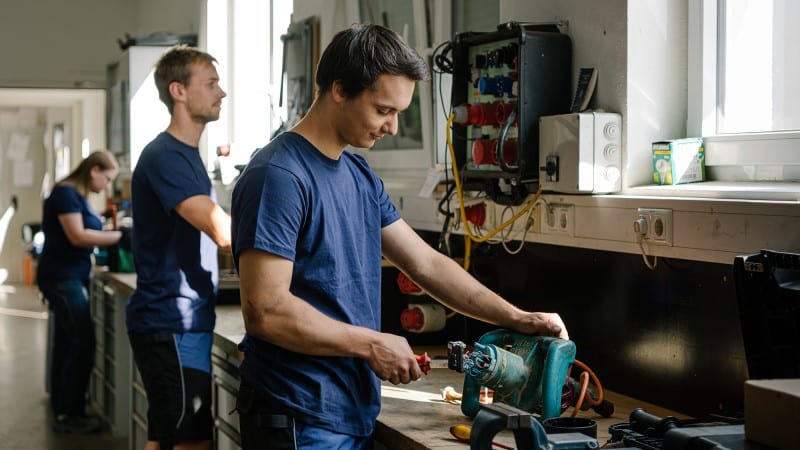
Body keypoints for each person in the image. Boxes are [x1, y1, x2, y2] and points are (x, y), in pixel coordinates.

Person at [230, 24, 569, 449]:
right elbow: (266, 310)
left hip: (348, 412)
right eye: (383, 110)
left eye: (399, 114)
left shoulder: (358, 175)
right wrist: (373, 344)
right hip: (299, 415)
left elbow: (425, 264)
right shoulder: (279, 175)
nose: (392, 127)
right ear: (339, 89)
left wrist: (517, 318)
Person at [127, 44, 231, 450]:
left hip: (181, 318)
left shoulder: (186, 156)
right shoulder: (165, 156)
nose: (221, 93)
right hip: (171, 321)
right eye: (211, 84)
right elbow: (222, 232)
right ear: (179, 91)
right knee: (191, 442)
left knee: (166, 436)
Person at [37, 149, 122, 433]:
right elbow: (77, 235)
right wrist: (120, 237)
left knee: (66, 341)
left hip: (69, 276)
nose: (106, 185)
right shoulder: (65, 193)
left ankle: (62, 408)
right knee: (82, 343)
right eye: (107, 178)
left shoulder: (76, 196)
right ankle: (72, 414)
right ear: (94, 170)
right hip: (63, 278)